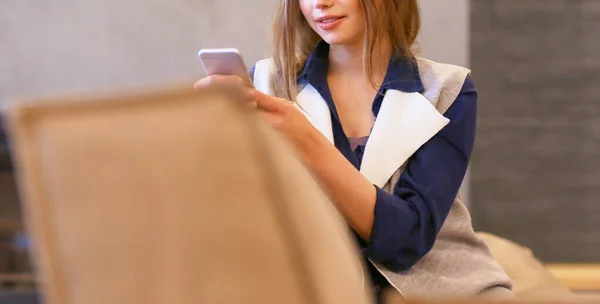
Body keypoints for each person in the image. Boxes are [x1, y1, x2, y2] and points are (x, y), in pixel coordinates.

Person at [195, 0, 515, 301]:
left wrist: (305, 138)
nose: (319, 2)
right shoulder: (267, 86)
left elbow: (406, 241)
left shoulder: (448, 89)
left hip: (449, 295)